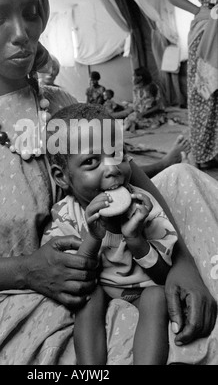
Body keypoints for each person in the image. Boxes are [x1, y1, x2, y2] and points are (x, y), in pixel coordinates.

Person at [0, 0, 216, 366]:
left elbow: (125, 171)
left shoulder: (58, 103)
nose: (21, 34)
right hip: (10, 295)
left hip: (107, 260)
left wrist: (183, 262)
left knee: (184, 180)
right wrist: (27, 270)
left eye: (31, 13)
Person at [43, 103, 178, 364]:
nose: (112, 169)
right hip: (100, 288)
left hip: (145, 290)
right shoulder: (65, 215)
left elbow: (163, 275)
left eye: (117, 154)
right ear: (62, 177)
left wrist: (136, 239)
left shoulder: (144, 205)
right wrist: (92, 238)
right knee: (88, 297)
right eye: (92, 162)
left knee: (156, 296)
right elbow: (74, 277)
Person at [164, 0, 218, 170]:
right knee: (204, 89)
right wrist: (198, 10)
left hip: (206, 25)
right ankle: (204, 154)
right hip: (207, 29)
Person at [124, 66, 166, 133]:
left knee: (154, 124)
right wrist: (130, 105)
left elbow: (159, 106)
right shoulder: (135, 89)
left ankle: (136, 125)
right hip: (140, 114)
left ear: (140, 77)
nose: (132, 79)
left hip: (152, 114)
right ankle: (135, 125)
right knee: (128, 120)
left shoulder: (152, 88)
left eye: (133, 76)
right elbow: (137, 105)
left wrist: (144, 113)